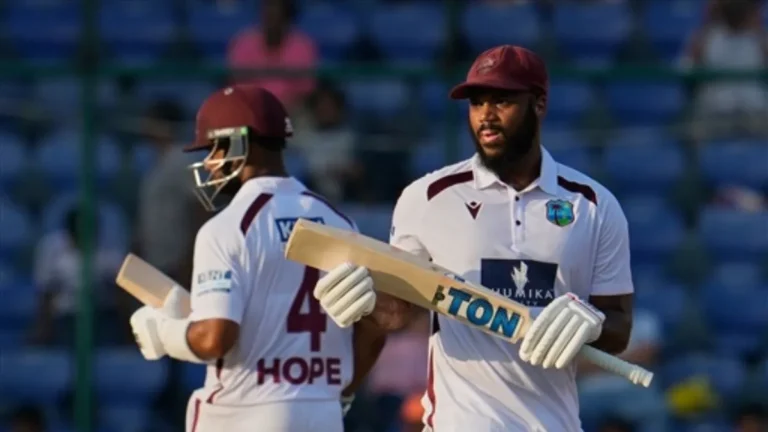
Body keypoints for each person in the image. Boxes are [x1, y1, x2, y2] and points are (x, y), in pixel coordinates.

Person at [313, 45, 634, 431]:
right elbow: (400, 311)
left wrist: (594, 322)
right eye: (477, 102)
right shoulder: (428, 198)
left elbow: (619, 328)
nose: (486, 116)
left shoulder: (594, 205)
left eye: (502, 101)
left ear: (540, 104)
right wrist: (364, 301)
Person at [127, 84, 405, 432]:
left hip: (243, 412)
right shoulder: (339, 220)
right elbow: (373, 332)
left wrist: (165, 334)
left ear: (239, 143)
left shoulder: (229, 227)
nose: (210, 162)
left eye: (214, 147)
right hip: (320, 411)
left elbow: (216, 338)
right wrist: (339, 394)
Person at [227, 0, 317, 111]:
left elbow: (305, 90)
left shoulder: (302, 46)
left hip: (291, 110)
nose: (272, 23)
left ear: (287, 19)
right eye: (268, 17)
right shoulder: (244, 43)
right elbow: (238, 86)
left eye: (277, 17)